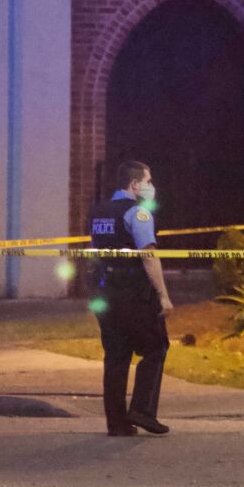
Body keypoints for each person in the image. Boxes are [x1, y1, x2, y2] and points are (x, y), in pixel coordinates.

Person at [88, 159, 174, 437]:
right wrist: (163, 295)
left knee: (116, 355)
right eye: (148, 182)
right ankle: (143, 410)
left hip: (105, 291)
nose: (151, 187)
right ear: (135, 184)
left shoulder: (98, 211)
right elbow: (148, 256)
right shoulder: (139, 213)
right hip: (134, 292)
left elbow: (94, 251)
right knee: (155, 347)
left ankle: (117, 423)